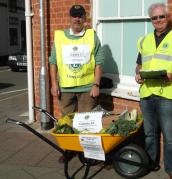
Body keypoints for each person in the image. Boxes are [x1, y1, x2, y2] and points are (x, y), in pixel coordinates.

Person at [135, 3, 172, 179]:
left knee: (170, 136)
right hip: (147, 94)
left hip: (168, 95)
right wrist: (137, 75)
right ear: (151, 20)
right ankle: (150, 163)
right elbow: (139, 65)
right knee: (149, 134)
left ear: (168, 17)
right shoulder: (144, 40)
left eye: (161, 16)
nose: (158, 20)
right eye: (154, 17)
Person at [49, 4, 104, 162]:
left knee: (88, 123)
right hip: (65, 88)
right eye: (74, 15)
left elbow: (99, 62)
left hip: (88, 88)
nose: (77, 18)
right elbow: (53, 62)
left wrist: (96, 84)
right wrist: (54, 84)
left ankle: (89, 153)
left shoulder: (92, 36)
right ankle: (69, 150)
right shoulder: (59, 37)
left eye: (80, 15)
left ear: (85, 18)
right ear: (70, 18)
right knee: (67, 121)